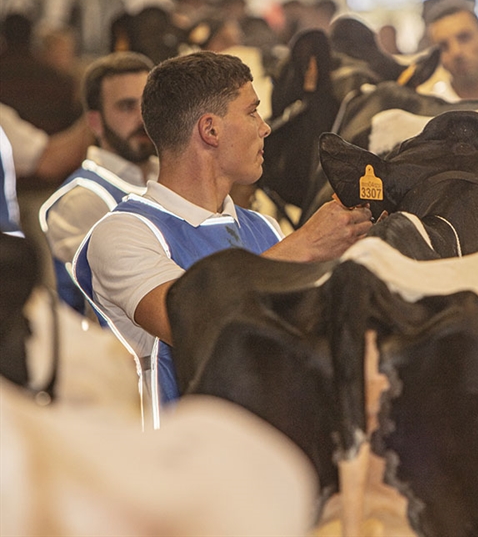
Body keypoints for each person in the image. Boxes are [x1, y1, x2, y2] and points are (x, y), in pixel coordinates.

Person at [74, 51, 372, 407]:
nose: (265, 127)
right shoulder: (125, 232)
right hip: (174, 458)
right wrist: (305, 246)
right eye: (252, 112)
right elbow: (193, 323)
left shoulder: (264, 227)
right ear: (210, 130)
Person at [40, 52, 158, 315]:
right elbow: (131, 299)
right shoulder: (82, 199)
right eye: (127, 106)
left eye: (148, 103)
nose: (142, 118)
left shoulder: (168, 174)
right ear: (95, 122)